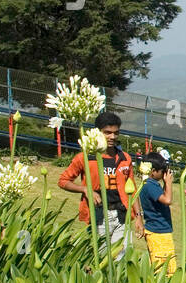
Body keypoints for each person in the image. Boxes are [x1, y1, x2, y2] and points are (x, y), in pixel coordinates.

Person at [58, 111, 139, 259]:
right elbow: (63, 181)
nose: (112, 137)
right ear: (97, 132)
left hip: (122, 216)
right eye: (107, 133)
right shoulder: (85, 157)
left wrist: (139, 217)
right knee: (101, 258)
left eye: (116, 133)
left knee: (122, 259)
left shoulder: (124, 158)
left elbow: (132, 189)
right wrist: (84, 189)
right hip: (99, 216)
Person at [134, 151, 176, 275]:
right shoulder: (150, 185)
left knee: (168, 268)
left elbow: (161, 199)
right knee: (164, 270)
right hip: (158, 233)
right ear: (153, 171)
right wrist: (168, 183)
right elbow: (167, 200)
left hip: (160, 231)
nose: (164, 174)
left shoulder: (150, 184)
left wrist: (164, 184)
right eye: (162, 171)